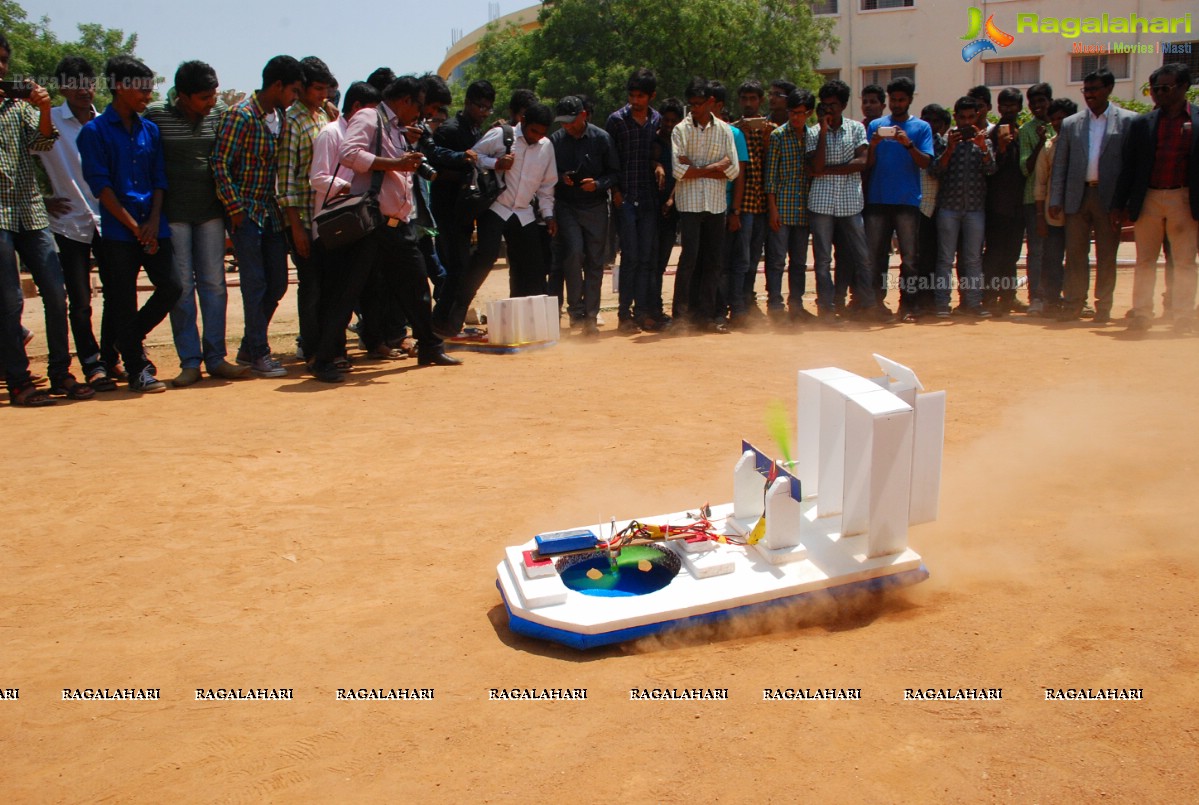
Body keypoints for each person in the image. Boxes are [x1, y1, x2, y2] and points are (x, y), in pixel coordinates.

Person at [310, 75, 456, 382]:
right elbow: (350, 154)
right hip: (370, 221)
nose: (421, 116)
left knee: (416, 285)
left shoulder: (395, 127)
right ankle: (323, 359)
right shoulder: (368, 116)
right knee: (347, 291)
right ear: (406, 101)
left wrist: (406, 156)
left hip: (395, 221)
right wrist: (396, 164)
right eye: (420, 108)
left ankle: (430, 345)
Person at [78, 55, 183, 393]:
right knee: (122, 299)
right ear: (120, 88)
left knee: (171, 287)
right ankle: (138, 369)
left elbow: (159, 179)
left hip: (154, 225)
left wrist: (152, 221)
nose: (148, 95)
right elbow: (101, 187)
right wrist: (133, 227)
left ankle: (127, 339)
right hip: (118, 232)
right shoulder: (93, 132)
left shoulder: (149, 129)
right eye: (142, 89)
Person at [145, 60, 247, 387]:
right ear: (183, 96)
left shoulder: (217, 114)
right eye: (204, 97)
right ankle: (190, 361)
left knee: (214, 285)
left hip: (211, 213)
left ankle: (216, 358)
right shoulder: (156, 115)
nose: (211, 102)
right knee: (183, 289)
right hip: (172, 215)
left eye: (214, 95)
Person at [432, 103, 558, 338]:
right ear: (523, 122)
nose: (536, 137)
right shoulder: (502, 135)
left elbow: (547, 185)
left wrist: (548, 214)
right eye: (533, 132)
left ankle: (526, 326)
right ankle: (450, 322)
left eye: (542, 133)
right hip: (496, 207)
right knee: (482, 261)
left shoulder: (546, 147)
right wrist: (496, 163)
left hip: (523, 212)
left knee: (532, 267)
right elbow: (473, 156)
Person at [211, 55, 304, 376]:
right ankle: (259, 352)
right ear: (277, 85)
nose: (295, 96)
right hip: (247, 212)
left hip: (272, 213)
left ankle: (251, 346)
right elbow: (220, 163)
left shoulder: (280, 116)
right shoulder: (240, 115)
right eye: (293, 90)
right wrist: (234, 207)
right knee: (255, 284)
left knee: (277, 283)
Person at [0, 32, 76, 406]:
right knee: (10, 300)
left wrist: (45, 108)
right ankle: (18, 380)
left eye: (2, 60)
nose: (0, 67)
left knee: (56, 293)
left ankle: (61, 373)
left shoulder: (19, 107)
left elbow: (44, 143)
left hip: (29, 210)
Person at [36, 56, 109, 391]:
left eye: (89, 82)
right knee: (79, 301)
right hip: (69, 224)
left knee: (117, 295)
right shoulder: (48, 121)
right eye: (77, 84)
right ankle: (92, 363)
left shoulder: (104, 122)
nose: (85, 90)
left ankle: (111, 357)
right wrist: (41, 199)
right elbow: (21, 158)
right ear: (63, 87)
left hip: (107, 220)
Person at [1113, 63, 1198, 333]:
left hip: (1183, 198)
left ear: (1184, 87)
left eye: (1165, 88)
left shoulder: (1196, 121)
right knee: (1145, 260)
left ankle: (1183, 315)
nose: (1158, 94)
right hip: (1148, 197)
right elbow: (1128, 166)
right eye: (1155, 89)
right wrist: (1119, 204)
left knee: (1184, 261)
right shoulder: (1142, 124)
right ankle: (1141, 314)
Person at [1048, 68, 1135, 323]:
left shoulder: (1128, 121)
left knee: (1107, 255)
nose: (1090, 95)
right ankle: (1074, 304)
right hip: (1078, 196)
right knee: (1075, 254)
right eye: (1086, 90)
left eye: (1095, 89)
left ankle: (1103, 308)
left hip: (1110, 199)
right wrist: (1056, 199)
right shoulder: (1071, 123)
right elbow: (1060, 164)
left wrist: (1126, 202)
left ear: (1109, 89)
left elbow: (1130, 165)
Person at [308, 80, 380, 374]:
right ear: (356, 108)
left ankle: (336, 351)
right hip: (331, 226)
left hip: (353, 224)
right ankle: (328, 352)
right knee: (332, 292)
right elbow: (317, 178)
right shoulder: (331, 134)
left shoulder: (358, 135)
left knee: (345, 290)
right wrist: (347, 187)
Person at [671, 77, 739, 333]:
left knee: (713, 261)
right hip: (689, 204)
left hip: (715, 204)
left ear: (711, 102)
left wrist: (695, 167)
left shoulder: (724, 130)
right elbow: (679, 171)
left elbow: (732, 170)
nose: (695, 109)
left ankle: (707, 317)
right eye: (692, 104)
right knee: (689, 259)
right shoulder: (681, 129)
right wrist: (713, 167)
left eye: (699, 104)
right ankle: (680, 318)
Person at [278, 56, 335, 363]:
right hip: (301, 217)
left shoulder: (322, 117)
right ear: (300, 88)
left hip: (324, 216)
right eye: (316, 89)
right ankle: (311, 347)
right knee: (311, 284)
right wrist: (296, 226)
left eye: (325, 89)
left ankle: (323, 345)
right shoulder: (292, 121)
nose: (322, 95)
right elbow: (285, 180)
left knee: (326, 283)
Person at [863, 76, 933, 323]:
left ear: (910, 100)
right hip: (877, 199)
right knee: (875, 256)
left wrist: (908, 144)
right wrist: (873, 144)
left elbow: (926, 162)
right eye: (893, 99)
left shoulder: (921, 128)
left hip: (907, 201)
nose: (897, 103)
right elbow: (868, 165)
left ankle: (908, 305)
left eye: (901, 99)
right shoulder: (876, 126)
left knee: (910, 257)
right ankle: (876, 304)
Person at [550, 96, 620, 336]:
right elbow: (547, 174)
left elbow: (614, 173)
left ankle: (591, 316)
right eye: (563, 123)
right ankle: (576, 312)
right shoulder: (555, 141)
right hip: (567, 206)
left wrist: (598, 184)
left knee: (595, 262)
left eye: (570, 121)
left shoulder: (602, 138)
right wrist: (561, 178)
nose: (566, 127)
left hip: (596, 207)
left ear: (583, 115)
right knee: (573, 254)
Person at [807, 79, 876, 321]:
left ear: (844, 105)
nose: (829, 110)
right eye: (825, 105)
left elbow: (862, 162)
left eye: (833, 105)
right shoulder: (814, 132)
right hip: (821, 203)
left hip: (850, 202)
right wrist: (824, 131)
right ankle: (826, 308)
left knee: (862, 256)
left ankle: (866, 304)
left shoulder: (857, 129)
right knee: (823, 259)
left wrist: (827, 169)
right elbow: (814, 167)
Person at [928, 96, 995, 318]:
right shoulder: (944, 140)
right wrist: (950, 149)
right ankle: (942, 305)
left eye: (971, 117)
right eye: (962, 117)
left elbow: (991, 170)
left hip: (975, 208)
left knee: (973, 258)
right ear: (955, 117)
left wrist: (983, 148)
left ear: (977, 117)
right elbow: (934, 170)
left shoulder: (984, 140)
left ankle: (973, 303)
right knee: (945, 258)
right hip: (949, 206)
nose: (966, 122)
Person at [606, 68, 662, 332]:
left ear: (651, 96)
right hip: (625, 197)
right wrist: (615, 192)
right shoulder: (616, 120)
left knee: (646, 258)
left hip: (649, 198)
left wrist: (659, 165)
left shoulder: (657, 120)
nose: (635, 100)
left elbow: (658, 153)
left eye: (641, 96)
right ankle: (623, 315)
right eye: (632, 95)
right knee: (630, 257)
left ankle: (641, 312)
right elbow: (609, 159)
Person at [430, 79, 491, 312]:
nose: (484, 112)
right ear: (467, 103)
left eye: (488, 108)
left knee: (460, 264)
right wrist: (466, 174)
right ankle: (443, 317)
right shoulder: (449, 130)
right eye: (480, 107)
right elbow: (435, 170)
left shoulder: (478, 131)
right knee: (454, 265)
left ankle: (449, 315)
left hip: (465, 210)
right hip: (447, 208)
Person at [764, 89, 816, 321]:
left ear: (809, 113)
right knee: (776, 260)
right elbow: (771, 177)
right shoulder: (778, 136)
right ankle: (775, 304)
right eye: (792, 113)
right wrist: (772, 209)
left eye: (800, 113)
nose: (795, 118)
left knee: (799, 261)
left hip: (804, 208)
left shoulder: (813, 137)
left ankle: (796, 305)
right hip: (782, 208)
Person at [980, 87, 1026, 316]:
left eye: (1012, 105)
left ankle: (1008, 297)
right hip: (996, 204)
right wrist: (1002, 146)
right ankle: (989, 297)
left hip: (1017, 204)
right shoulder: (992, 134)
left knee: (1012, 254)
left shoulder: (1024, 132)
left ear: (1019, 107)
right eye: (1004, 105)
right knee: (994, 253)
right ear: (998, 107)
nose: (1008, 109)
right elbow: (990, 169)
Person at [732, 79, 775, 320]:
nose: (748, 103)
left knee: (755, 256)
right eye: (744, 99)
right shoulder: (732, 130)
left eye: (753, 99)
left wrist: (767, 139)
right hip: (743, 203)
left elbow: (772, 165)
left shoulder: (771, 129)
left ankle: (748, 301)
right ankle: (738, 307)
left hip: (762, 203)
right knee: (742, 258)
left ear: (761, 101)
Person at [1032, 98, 1077, 318]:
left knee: (1077, 259)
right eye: (1055, 118)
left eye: (1064, 117)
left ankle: (1075, 301)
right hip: (1053, 215)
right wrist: (1040, 216)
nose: (1059, 122)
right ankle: (1050, 301)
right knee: (1051, 258)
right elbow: (1040, 183)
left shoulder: (1083, 147)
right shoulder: (1049, 147)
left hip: (1077, 213)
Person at [1017, 83, 1054, 316]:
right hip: (1033, 199)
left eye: (1042, 101)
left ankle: (1059, 295)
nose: (1037, 106)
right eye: (1033, 103)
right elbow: (1025, 169)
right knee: (1037, 250)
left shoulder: (1062, 125)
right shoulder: (1027, 130)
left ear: (1050, 101)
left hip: (1059, 198)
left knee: (1061, 249)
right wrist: (1041, 142)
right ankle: (1036, 297)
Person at [650, 97, 684, 328]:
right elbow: (651, 161)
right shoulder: (652, 139)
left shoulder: (681, 143)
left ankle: (656, 308)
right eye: (666, 119)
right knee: (648, 262)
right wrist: (657, 166)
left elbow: (682, 173)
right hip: (650, 208)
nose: (670, 124)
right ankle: (648, 309)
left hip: (672, 210)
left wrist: (672, 198)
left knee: (661, 262)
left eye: (674, 120)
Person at [915, 103, 951, 318]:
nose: (931, 125)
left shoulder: (946, 144)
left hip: (942, 207)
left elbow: (938, 171)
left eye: (936, 121)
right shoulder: (915, 144)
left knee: (938, 257)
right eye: (926, 120)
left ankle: (933, 301)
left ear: (945, 125)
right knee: (920, 257)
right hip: (921, 206)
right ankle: (919, 300)